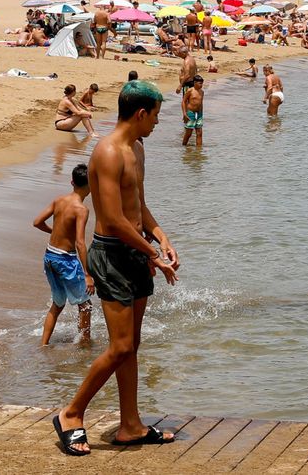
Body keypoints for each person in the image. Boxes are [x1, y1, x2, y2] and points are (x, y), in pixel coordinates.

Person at [53, 81, 179, 456]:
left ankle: (130, 425)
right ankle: (71, 414)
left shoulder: (137, 148)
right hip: (112, 256)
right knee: (121, 345)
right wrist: (151, 254)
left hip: (136, 251)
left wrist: (160, 237)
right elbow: (112, 218)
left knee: (131, 346)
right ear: (141, 114)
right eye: (155, 116)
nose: (157, 123)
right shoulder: (107, 153)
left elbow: (137, 206)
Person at [33, 164, 94, 346]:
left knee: (58, 304)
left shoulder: (59, 200)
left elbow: (37, 222)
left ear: (72, 182)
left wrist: (55, 232)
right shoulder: (81, 210)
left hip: (50, 257)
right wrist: (88, 274)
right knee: (85, 305)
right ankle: (84, 347)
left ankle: (44, 344)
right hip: (66, 260)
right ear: (90, 187)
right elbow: (80, 243)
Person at [181, 75, 204, 148]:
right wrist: (184, 113)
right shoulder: (190, 90)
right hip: (191, 113)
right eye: (199, 83)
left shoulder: (202, 92)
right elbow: (183, 102)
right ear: (195, 82)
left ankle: (199, 151)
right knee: (189, 132)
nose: (201, 85)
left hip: (199, 114)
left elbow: (201, 103)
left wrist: (201, 114)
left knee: (199, 133)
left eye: (202, 83)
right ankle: (183, 146)